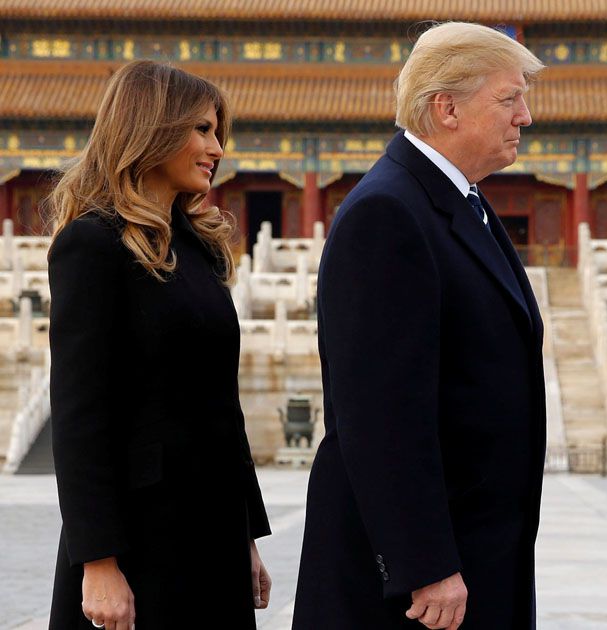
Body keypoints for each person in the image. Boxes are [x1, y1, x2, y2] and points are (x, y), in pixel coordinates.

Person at [293, 22, 546, 630]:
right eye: (509, 99)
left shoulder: (461, 201)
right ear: (447, 108)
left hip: (479, 547)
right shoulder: (389, 212)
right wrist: (423, 562)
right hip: (422, 583)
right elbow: (380, 412)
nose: (526, 117)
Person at [47, 60, 271, 630]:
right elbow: (80, 413)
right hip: (138, 536)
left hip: (212, 526)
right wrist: (97, 561)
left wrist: (245, 532)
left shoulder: (200, 247)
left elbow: (223, 405)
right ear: (150, 128)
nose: (217, 147)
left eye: (218, 131)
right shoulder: (92, 245)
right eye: (201, 129)